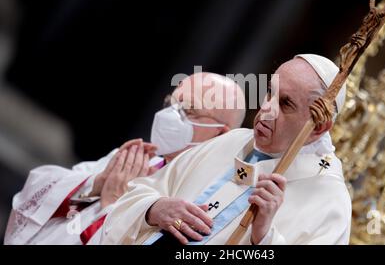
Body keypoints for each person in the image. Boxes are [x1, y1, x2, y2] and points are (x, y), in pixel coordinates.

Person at [100, 54, 351, 245]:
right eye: (269, 93)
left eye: (286, 104)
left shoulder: (329, 202)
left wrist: (264, 237)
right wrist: (154, 209)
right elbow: (139, 193)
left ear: (319, 128)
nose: (267, 109)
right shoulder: (231, 142)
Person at [4, 72, 246, 245]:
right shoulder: (139, 160)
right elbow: (34, 193)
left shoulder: (202, 199)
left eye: (189, 110)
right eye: (170, 103)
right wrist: (94, 185)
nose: (170, 115)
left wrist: (114, 207)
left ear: (220, 134)